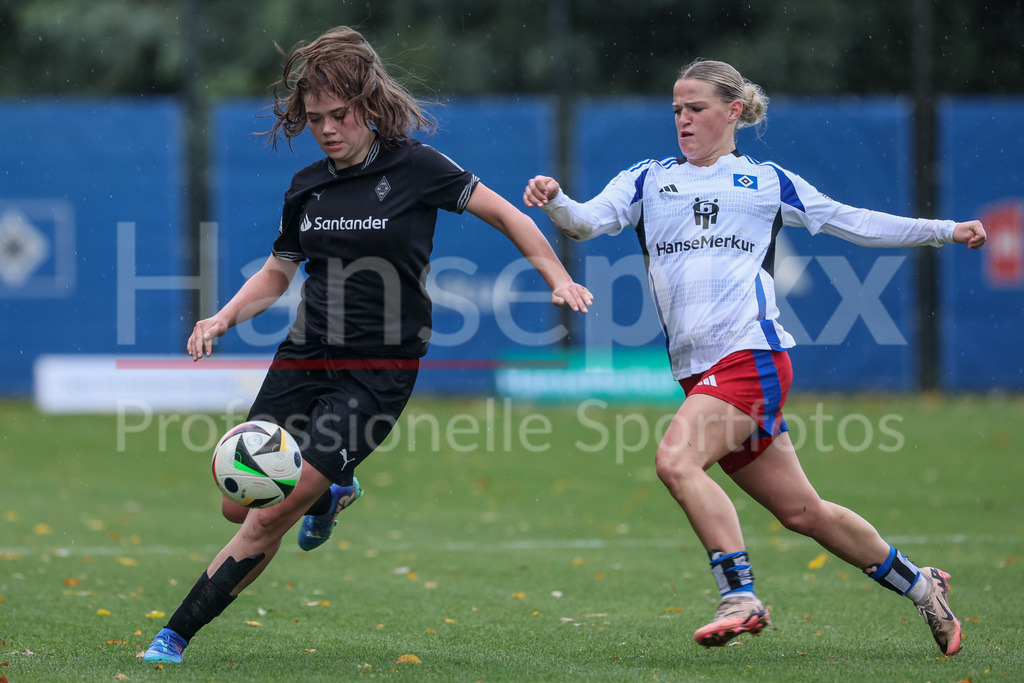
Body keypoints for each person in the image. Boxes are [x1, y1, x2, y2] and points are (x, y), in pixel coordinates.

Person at [142, 25, 592, 664]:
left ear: (368, 105)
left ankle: (174, 636)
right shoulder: (306, 185)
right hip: (305, 354)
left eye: (340, 115)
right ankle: (333, 489)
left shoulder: (417, 166)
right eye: (315, 119)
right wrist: (222, 318)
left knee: (269, 515)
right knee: (236, 502)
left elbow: (507, 215)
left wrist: (558, 278)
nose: (328, 129)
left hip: (377, 372)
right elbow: (277, 273)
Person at [523, 58, 985, 655]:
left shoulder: (766, 181)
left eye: (696, 108)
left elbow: (855, 223)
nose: (683, 120)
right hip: (701, 374)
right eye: (676, 110)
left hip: (751, 355)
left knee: (676, 463)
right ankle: (923, 586)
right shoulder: (647, 179)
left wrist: (945, 229)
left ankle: (739, 597)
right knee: (804, 512)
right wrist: (556, 200)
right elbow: (585, 223)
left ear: (733, 110)